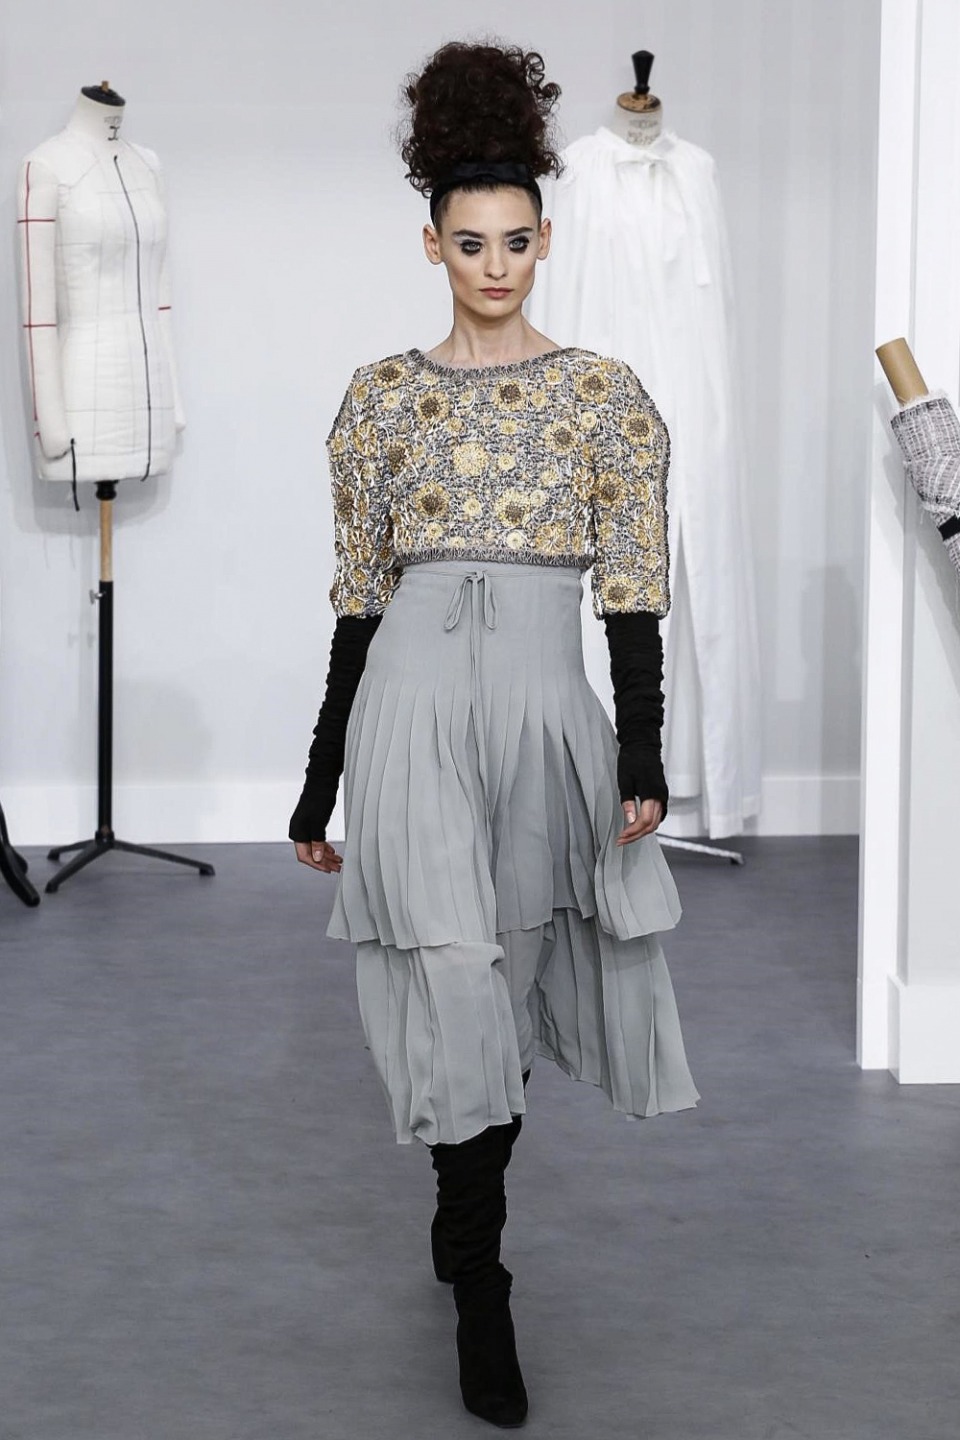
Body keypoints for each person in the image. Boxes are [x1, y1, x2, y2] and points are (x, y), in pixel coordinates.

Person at [289, 40, 699, 1431]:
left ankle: (461, 1204)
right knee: (454, 972)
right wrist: (319, 779)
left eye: (517, 241)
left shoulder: (606, 397)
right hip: (408, 711)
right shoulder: (378, 399)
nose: (496, 266)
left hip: (542, 716)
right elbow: (358, 597)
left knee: (506, 991)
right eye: (470, 244)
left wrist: (641, 751)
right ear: (432, 245)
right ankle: (481, 1279)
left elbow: (634, 587)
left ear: (544, 240)